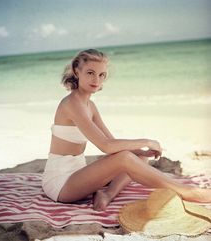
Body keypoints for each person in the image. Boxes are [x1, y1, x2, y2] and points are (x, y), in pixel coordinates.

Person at [42, 49, 211, 211]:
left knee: (136, 157)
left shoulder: (90, 106)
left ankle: (107, 195)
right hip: (61, 183)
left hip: (79, 174)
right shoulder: (72, 103)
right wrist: (146, 141)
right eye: (90, 73)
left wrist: (141, 152)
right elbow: (106, 146)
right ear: (76, 72)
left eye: (102, 75)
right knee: (124, 158)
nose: (96, 79)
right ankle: (187, 192)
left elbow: (112, 142)